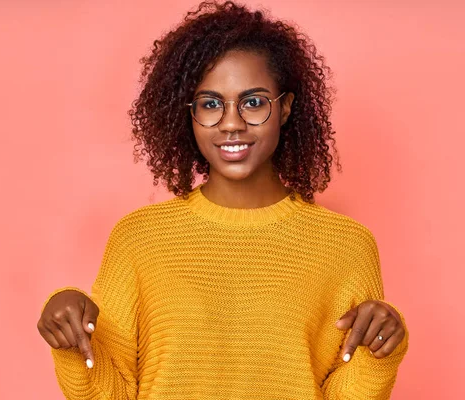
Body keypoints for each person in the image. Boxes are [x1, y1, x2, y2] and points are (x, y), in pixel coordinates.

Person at [36, 1, 409, 399]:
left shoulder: (346, 245)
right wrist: (70, 337)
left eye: (253, 102)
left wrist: (382, 346)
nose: (231, 123)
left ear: (284, 108)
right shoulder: (138, 240)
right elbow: (112, 394)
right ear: (189, 114)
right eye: (211, 104)